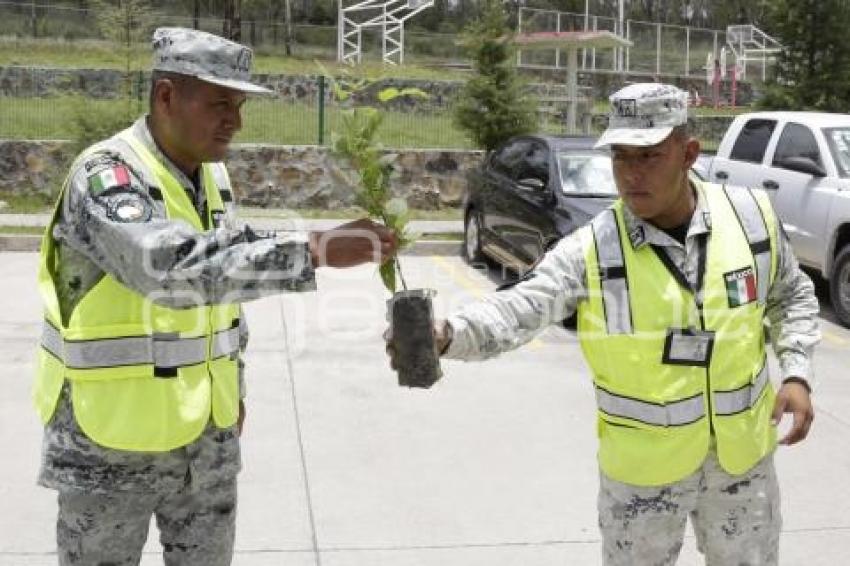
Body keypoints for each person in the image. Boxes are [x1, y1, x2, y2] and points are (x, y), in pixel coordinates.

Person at [387, 83, 819, 565]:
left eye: (649, 156)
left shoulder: (751, 218)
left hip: (742, 467)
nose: (631, 175)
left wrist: (797, 371)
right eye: (620, 157)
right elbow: (522, 306)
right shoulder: (592, 248)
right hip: (642, 480)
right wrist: (447, 334)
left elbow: (792, 293)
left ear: (688, 153)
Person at [34, 27, 397, 565]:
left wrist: (232, 394)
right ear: (165, 96)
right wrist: (314, 249)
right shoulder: (106, 176)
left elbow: (222, 296)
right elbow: (170, 269)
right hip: (109, 445)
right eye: (220, 102)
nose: (236, 119)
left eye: (240, 104)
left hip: (206, 444)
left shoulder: (212, 178)